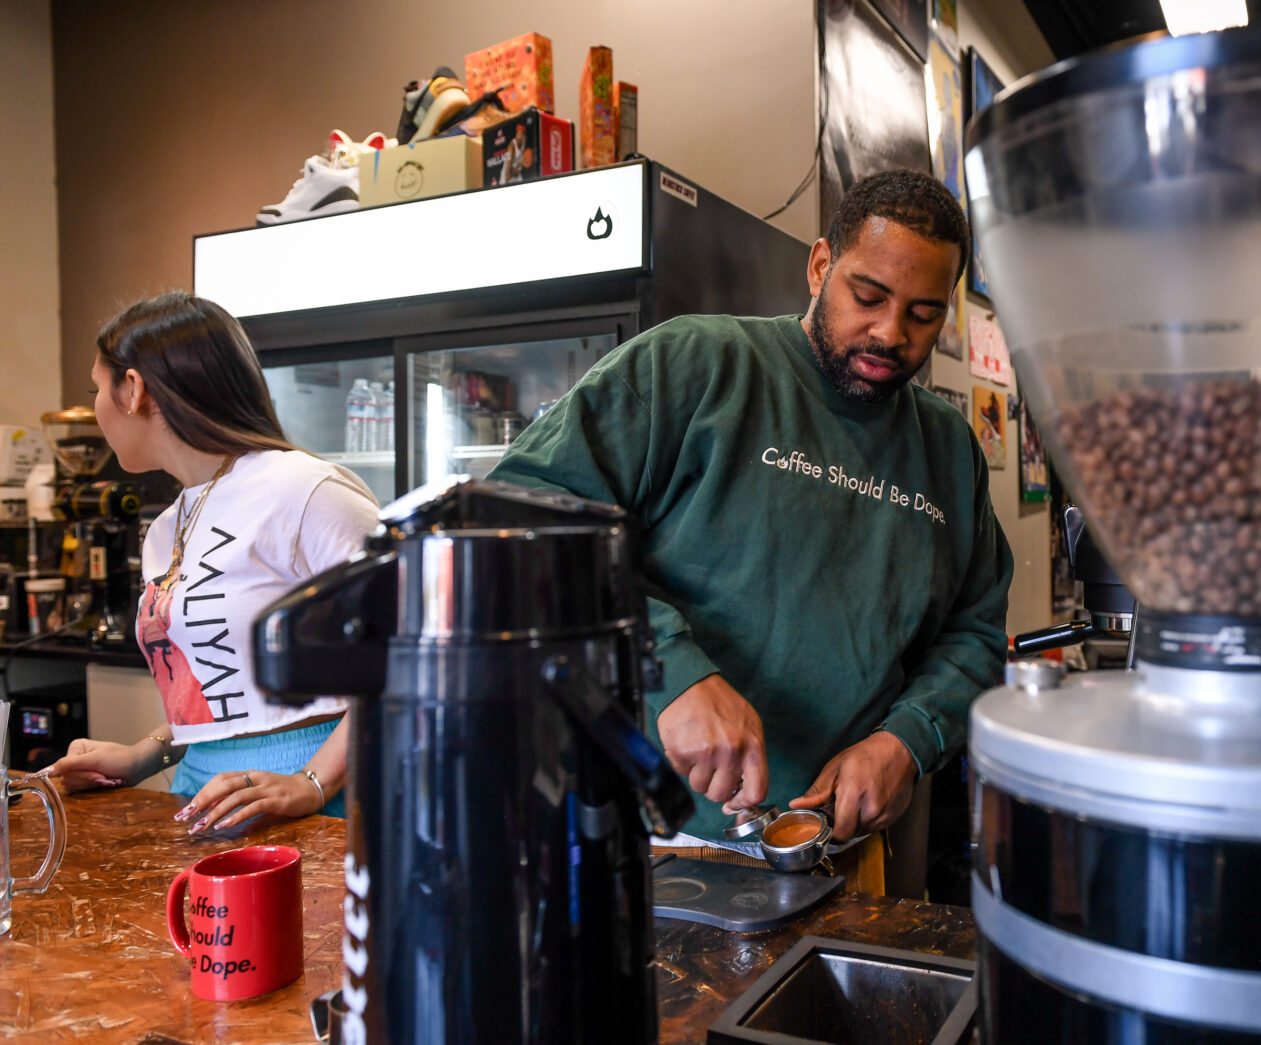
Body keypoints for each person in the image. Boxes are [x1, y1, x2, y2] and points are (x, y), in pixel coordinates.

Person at [489, 170, 1013, 888]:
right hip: (634, 849)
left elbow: (975, 630)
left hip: (833, 861)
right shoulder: (695, 365)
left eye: (923, 314)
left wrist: (908, 739)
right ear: (821, 265)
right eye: (868, 296)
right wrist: (668, 669)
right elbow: (519, 512)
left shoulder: (950, 451)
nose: (891, 333)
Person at [43, 292, 379, 830]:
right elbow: (222, 692)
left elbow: (415, 652)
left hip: (314, 794)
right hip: (200, 792)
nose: (97, 408)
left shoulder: (303, 489)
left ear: (133, 390)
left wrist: (312, 782)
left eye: (96, 388)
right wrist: (142, 754)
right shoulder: (167, 525)